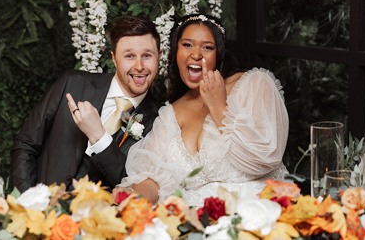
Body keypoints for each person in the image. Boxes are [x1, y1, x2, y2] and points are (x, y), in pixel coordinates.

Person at [118, 14, 289, 206]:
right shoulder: (170, 114)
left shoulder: (254, 84)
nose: (196, 54)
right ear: (176, 52)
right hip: (194, 223)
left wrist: (219, 105)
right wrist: (136, 201)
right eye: (187, 45)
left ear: (219, 54)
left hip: (260, 212)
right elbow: (150, 176)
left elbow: (265, 159)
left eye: (207, 47)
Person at [11, 16, 161, 193]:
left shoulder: (159, 123)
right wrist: (28, 203)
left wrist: (98, 135)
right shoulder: (72, 84)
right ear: (114, 59)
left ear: (159, 57)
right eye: (129, 56)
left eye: (147, 55)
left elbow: (132, 185)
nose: (139, 66)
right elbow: (26, 144)